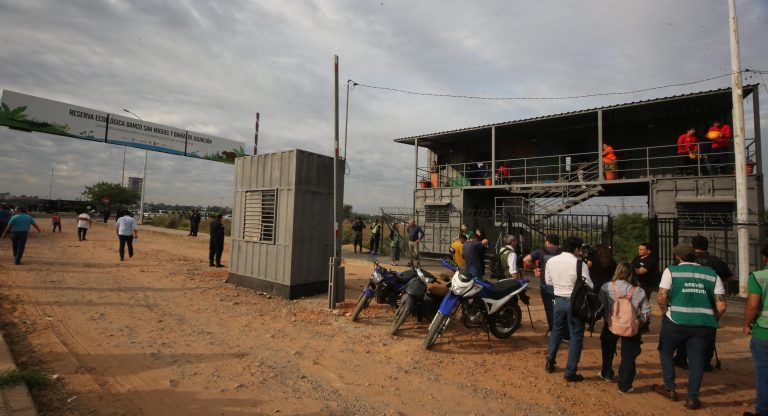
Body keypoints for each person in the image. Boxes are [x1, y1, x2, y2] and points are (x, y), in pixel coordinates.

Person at [655, 244, 726, 410]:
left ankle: (670, 387)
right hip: (703, 324)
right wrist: (712, 319)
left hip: (676, 320)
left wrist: (666, 313)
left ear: (677, 257)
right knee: (697, 360)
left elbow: (661, 297)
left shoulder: (671, 271)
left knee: (665, 351)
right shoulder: (711, 274)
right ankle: (692, 397)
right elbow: (721, 306)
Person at [544, 236, 593, 382]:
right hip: (574, 302)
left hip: (558, 300)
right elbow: (589, 285)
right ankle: (570, 371)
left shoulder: (551, 260)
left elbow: (548, 281)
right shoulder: (579, 264)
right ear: (576, 249)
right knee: (576, 336)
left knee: (557, 330)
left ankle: (550, 360)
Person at [598, 262, 651, 393]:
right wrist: (640, 322)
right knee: (628, 355)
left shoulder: (607, 286)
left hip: (611, 324)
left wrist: (607, 317)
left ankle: (607, 373)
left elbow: (601, 304)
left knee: (608, 348)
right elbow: (646, 312)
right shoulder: (639, 290)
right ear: (632, 274)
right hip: (631, 326)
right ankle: (624, 385)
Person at [743, 243, 768, 416]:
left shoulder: (758, 277)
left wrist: (746, 324)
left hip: (764, 331)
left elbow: (753, 306)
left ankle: (763, 411)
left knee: (764, 374)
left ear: (765, 258)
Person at [523, 234, 562, 337]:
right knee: (560, 308)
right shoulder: (563, 252)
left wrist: (535, 268)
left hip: (546, 284)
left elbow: (526, 259)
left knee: (549, 308)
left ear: (548, 242)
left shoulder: (541, 251)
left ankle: (553, 330)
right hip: (560, 285)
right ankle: (562, 330)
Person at [632, 242, 659, 333]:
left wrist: (631, 269)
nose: (639, 251)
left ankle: (645, 325)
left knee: (644, 305)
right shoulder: (637, 258)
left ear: (648, 251)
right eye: (639, 249)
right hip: (635, 285)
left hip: (646, 285)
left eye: (642, 249)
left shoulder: (651, 259)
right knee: (635, 304)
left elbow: (641, 271)